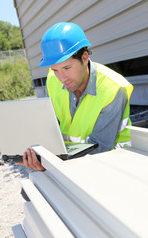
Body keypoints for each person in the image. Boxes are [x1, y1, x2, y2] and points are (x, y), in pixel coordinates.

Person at [17, 22, 133, 171]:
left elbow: (101, 148)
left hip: (114, 163)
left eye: (67, 67)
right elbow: (51, 128)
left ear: (84, 57)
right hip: (72, 161)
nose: (62, 77)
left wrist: (49, 165)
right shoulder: (53, 80)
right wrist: (37, 155)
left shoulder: (113, 88)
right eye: (55, 69)